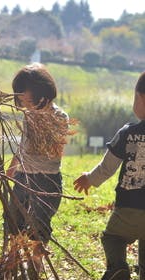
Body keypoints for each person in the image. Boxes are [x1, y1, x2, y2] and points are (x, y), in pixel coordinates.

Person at [74, 71, 145, 280]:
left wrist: (89, 178)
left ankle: (118, 270)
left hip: (129, 208)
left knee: (113, 238)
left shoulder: (127, 133)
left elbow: (107, 167)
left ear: (141, 98)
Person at [5, 63, 69, 271]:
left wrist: (43, 131)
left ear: (43, 93)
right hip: (24, 176)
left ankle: (36, 260)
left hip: (46, 178)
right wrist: (12, 167)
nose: (24, 102)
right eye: (21, 98)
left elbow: (56, 151)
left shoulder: (59, 117)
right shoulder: (28, 115)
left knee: (40, 221)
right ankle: (12, 256)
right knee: (14, 217)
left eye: (27, 98)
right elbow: (22, 146)